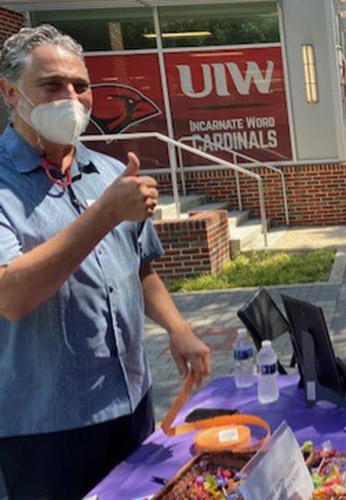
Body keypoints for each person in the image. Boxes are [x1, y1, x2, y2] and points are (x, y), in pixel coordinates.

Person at [0, 25, 212, 499]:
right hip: (45, 427)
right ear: (10, 93)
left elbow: (140, 267)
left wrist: (178, 328)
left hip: (131, 404)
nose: (71, 98)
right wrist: (106, 213)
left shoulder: (109, 173)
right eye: (52, 85)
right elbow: (10, 296)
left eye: (81, 85)